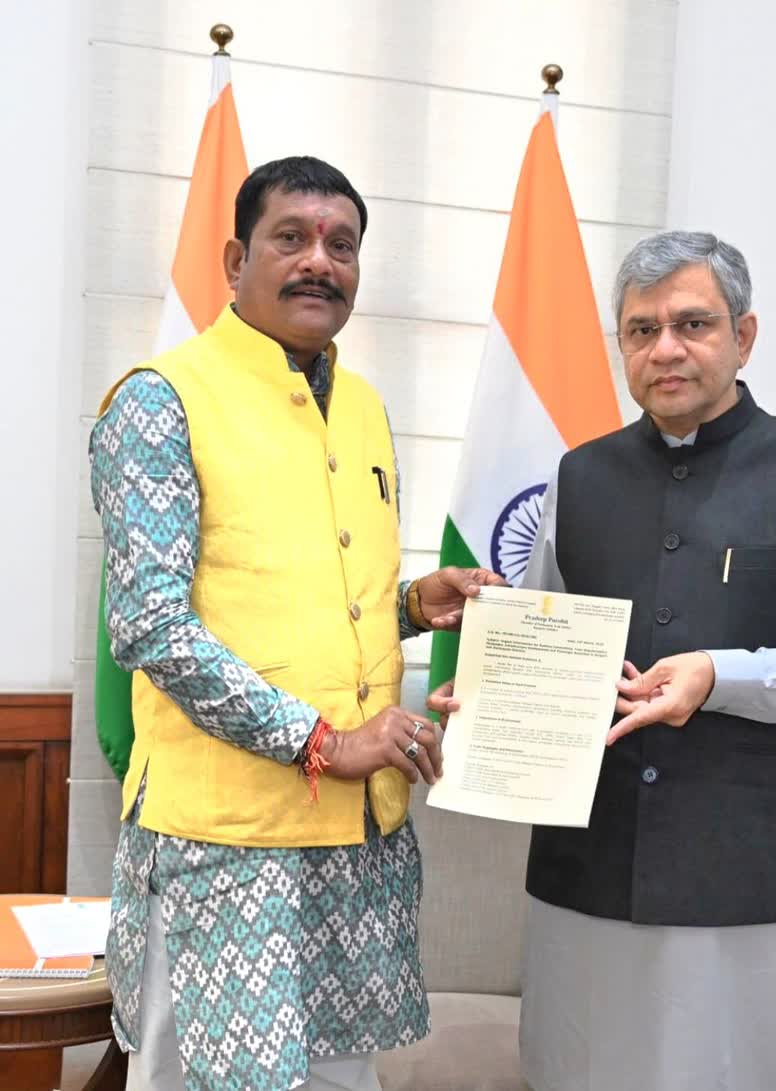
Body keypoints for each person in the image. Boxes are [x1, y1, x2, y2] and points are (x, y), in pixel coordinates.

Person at [430, 230, 776, 1091]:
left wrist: (720, 675)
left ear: (743, 336)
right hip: (589, 870)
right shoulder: (579, 476)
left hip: (746, 874)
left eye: (693, 324)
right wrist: (496, 691)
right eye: (642, 330)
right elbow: (550, 640)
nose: (666, 349)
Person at [91, 155, 500, 1091]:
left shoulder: (362, 406)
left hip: (356, 840)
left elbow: (294, 597)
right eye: (292, 238)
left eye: (342, 245)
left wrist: (411, 605)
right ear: (236, 260)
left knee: (338, 1081)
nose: (321, 260)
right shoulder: (160, 399)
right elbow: (152, 625)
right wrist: (325, 741)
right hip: (224, 844)